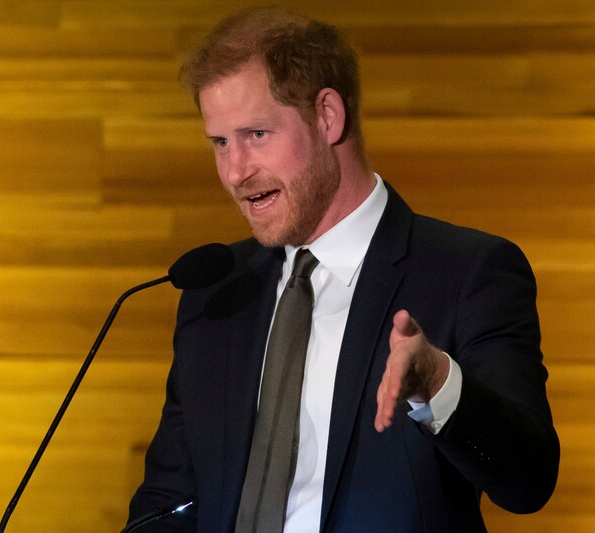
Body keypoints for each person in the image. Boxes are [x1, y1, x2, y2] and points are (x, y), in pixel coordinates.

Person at [126, 7, 559, 532]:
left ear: (328, 116)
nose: (236, 171)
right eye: (220, 143)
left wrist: (439, 384)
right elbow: (169, 499)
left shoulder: (467, 272)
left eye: (256, 134)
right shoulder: (216, 290)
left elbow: (529, 481)